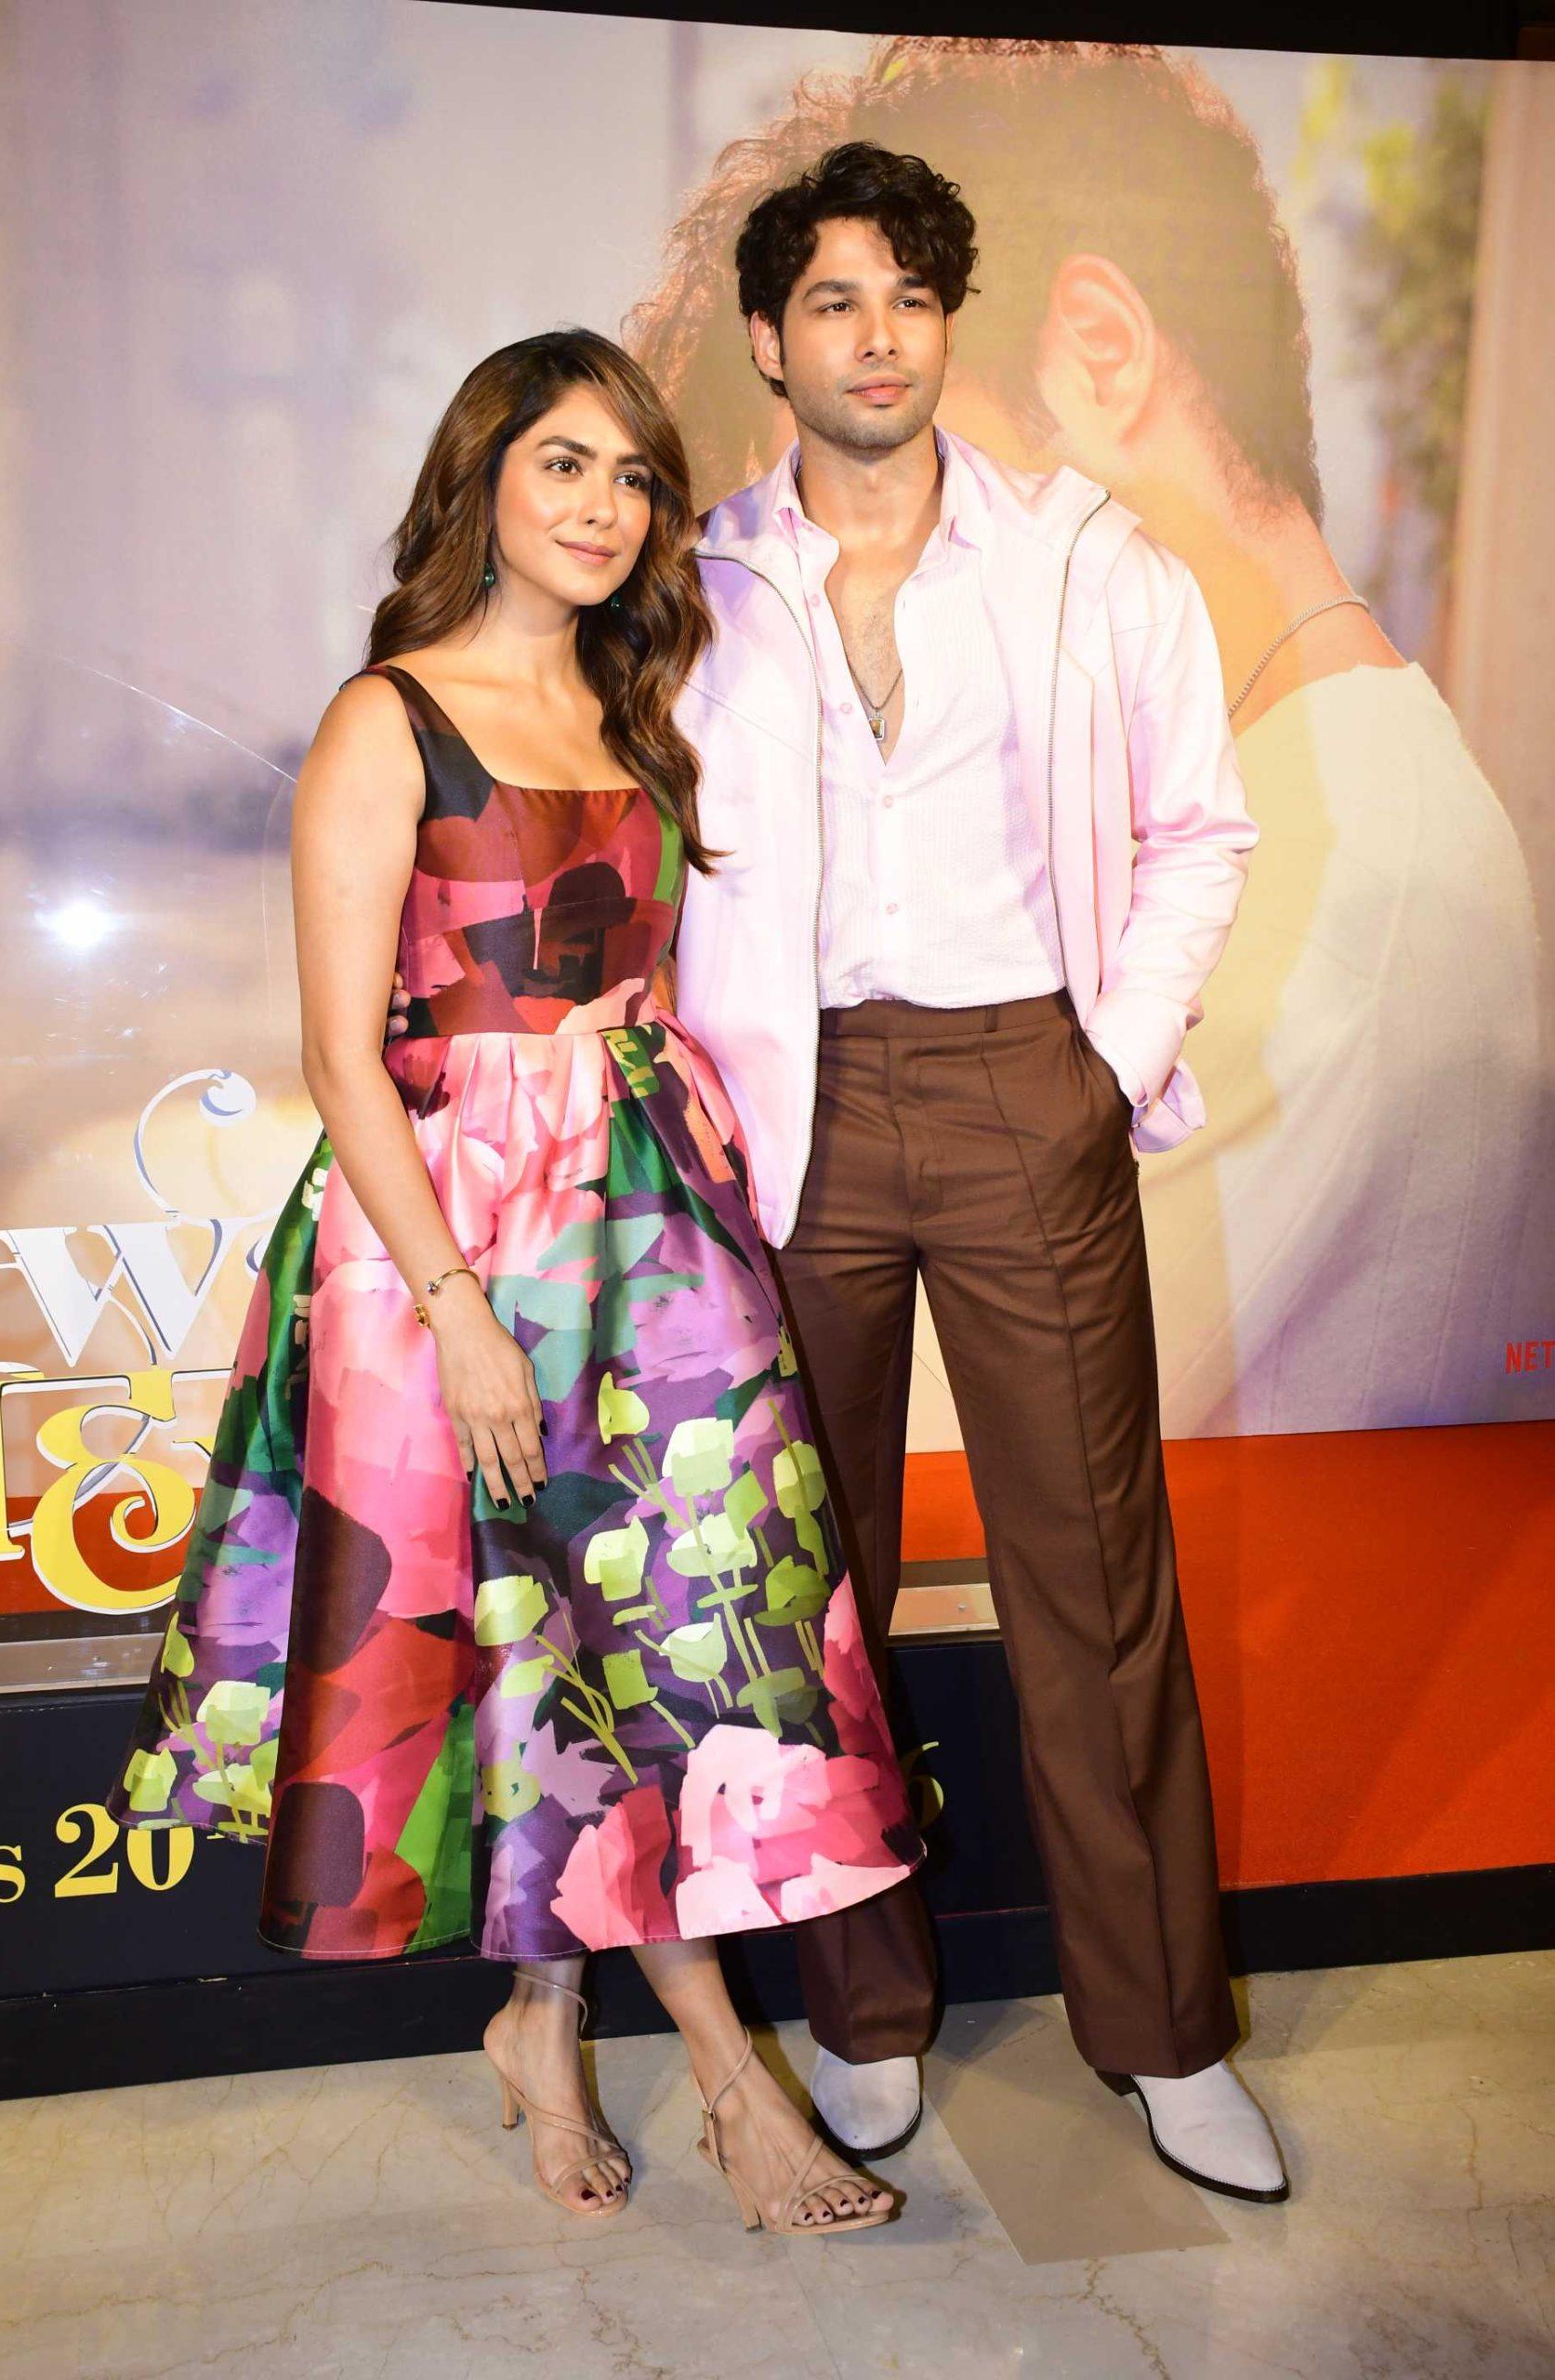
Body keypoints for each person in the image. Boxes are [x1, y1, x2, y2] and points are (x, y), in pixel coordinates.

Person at [107, 328, 926, 2238]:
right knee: (535, 1640)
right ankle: (731, 2082)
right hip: (447, 1250)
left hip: (645, 1236)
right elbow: (342, 1057)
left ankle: (542, 2021)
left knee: (668, 1641)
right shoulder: (385, 718)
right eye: (565, 462)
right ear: (483, 475)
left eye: (632, 476)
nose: (604, 506)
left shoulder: (641, 715)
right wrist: (458, 1306)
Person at [643, 139, 1289, 2202]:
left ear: (947, 328)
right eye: (834, 303)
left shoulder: (1086, 559)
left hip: (1029, 1079)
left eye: (910, 301)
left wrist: (1102, 1066)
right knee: (805, 1587)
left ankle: (1164, 2030)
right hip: (791, 1110)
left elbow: (1198, 830)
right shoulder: (691, 587)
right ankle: (863, 2011)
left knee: (1093, 1581)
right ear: (769, 340)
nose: (878, 339)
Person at [629, 37, 1545, 1437]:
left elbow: (932, 1406)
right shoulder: (1338, 782)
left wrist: (1084, 1082)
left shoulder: (1339, 878)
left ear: (1100, 355)